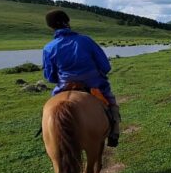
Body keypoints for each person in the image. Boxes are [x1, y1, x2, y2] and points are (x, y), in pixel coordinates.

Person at [42, 9, 120, 147]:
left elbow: (50, 76)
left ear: (51, 26)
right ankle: (114, 132)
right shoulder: (86, 40)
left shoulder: (49, 48)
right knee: (111, 101)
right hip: (94, 84)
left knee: (51, 107)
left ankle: (47, 131)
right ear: (68, 22)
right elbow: (105, 66)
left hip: (65, 86)